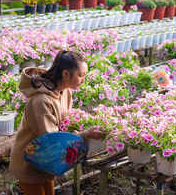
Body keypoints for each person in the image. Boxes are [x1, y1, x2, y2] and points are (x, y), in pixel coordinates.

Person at [9, 50, 106, 195]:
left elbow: (66, 121)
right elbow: (52, 138)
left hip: (46, 160)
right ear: (65, 74)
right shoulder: (40, 101)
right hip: (29, 162)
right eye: (80, 75)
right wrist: (85, 134)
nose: (83, 80)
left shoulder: (64, 91)